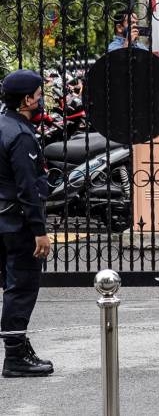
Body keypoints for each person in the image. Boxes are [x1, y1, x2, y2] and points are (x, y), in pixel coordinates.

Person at [0, 69, 53, 378]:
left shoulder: (5, 125)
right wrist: (40, 232)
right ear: (27, 99)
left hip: (4, 220)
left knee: (11, 288)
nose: (41, 98)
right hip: (18, 225)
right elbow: (27, 188)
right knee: (21, 289)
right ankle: (16, 356)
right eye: (38, 93)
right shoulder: (20, 134)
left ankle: (17, 346)